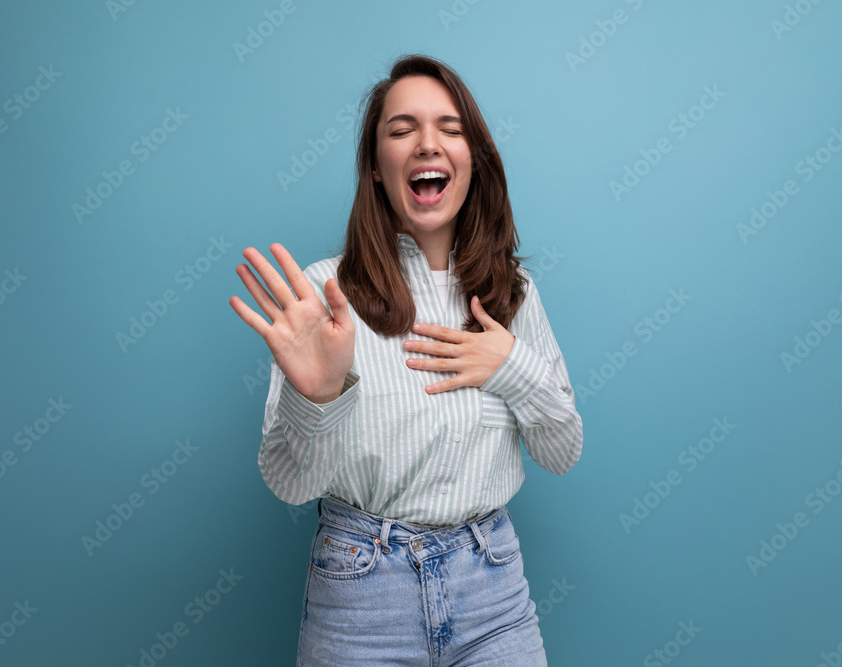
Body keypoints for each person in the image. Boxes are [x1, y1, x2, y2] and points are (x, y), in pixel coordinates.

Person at [230, 53, 583, 666]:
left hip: (492, 589)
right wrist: (319, 396)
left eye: (450, 129)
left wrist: (510, 367)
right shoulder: (323, 298)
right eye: (401, 130)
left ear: (474, 158)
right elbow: (291, 484)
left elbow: (562, 452)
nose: (427, 144)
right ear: (374, 166)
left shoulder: (511, 293)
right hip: (361, 598)